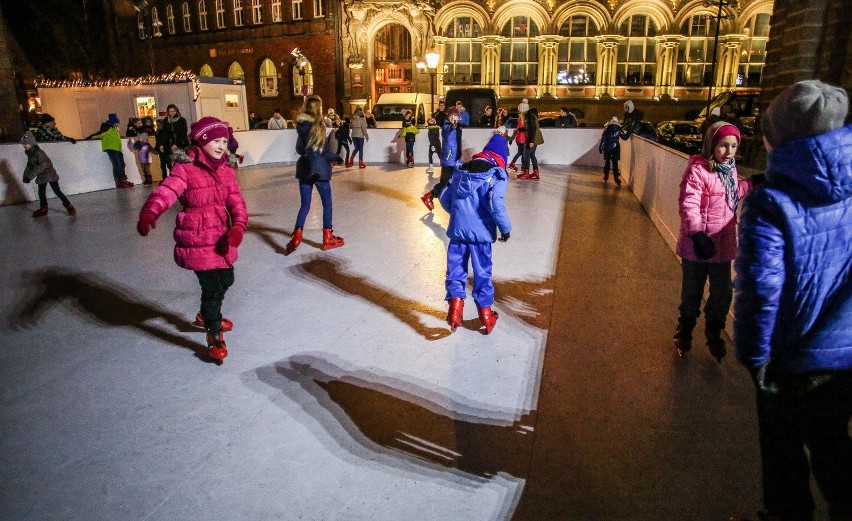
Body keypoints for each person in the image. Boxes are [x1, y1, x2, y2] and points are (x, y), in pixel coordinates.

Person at [733, 80, 852, 521]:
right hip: (845, 357)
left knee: (783, 456)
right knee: (833, 443)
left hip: (790, 356)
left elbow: (760, 291)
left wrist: (754, 358)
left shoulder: (770, 202)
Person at [136, 116, 248, 365]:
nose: (221, 146)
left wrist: (239, 225)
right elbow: (167, 190)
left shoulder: (226, 169)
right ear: (201, 141)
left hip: (221, 236)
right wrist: (151, 211)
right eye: (215, 141)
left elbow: (236, 201)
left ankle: (207, 316)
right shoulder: (185, 168)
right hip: (197, 238)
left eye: (224, 141)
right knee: (211, 288)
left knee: (226, 280)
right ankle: (214, 333)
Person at [672, 121, 751, 361]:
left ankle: (713, 331)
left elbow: (732, 193)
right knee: (692, 292)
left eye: (733, 146)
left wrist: (755, 183)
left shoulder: (730, 171)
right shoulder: (699, 169)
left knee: (722, 292)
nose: (728, 152)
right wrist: (696, 235)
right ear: (711, 145)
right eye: (723, 146)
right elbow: (689, 204)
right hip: (698, 246)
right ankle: (684, 331)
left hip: (722, 245)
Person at [439, 134, 512, 334]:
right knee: (482, 273)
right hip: (481, 237)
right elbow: (497, 206)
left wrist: (459, 215)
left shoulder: (460, 171)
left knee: (455, 271)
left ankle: (455, 310)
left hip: (458, 233)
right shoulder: (497, 174)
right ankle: (486, 316)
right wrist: (505, 229)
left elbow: (444, 197)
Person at [284, 95, 345, 255]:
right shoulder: (320, 126)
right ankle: (328, 237)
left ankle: (296, 237)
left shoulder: (301, 126)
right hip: (320, 171)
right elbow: (323, 152)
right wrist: (337, 157)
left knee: (305, 205)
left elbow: (299, 149)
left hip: (304, 169)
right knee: (327, 204)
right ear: (319, 108)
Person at [21, 131, 76, 217]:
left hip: (50, 174)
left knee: (57, 191)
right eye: (23, 144)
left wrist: (30, 176)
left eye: (26, 144)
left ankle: (69, 206)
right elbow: (30, 166)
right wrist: (26, 176)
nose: (24, 146)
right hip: (41, 176)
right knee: (41, 192)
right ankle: (44, 208)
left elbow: (44, 165)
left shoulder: (38, 152)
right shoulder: (31, 154)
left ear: (31, 143)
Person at [421, 107, 462, 211]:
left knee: (456, 181)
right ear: (448, 117)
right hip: (448, 160)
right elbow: (447, 133)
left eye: (455, 115)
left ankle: (454, 202)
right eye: (451, 116)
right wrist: (453, 126)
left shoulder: (458, 128)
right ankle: (429, 196)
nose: (453, 117)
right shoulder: (447, 127)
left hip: (455, 160)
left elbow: (457, 142)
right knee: (445, 182)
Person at [90, 113, 133, 188]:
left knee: (122, 164)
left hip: (117, 148)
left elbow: (115, 137)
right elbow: (101, 134)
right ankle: (118, 182)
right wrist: (91, 137)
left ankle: (123, 180)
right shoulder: (108, 127)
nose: (117, 123)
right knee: (117, 165)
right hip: (111, 148)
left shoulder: (114, 127)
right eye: (116, 121)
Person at [155, 104, 190, 180]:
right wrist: (161, 144)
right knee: (171, 164)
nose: (172, 113)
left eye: (174, 111)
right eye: (170, 111)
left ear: (176, 111)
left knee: (182, 162)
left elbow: (183, 133)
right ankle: (175, 179)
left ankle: (184, 178)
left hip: (181, 144)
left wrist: (176, 144)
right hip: (168, 145)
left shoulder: (181, 120)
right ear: (168, 112)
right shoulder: (165, 121)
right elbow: (163, 134)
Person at [598, 117, 629, 185]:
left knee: (607, 162)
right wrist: (629, 131)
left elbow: (603, 140)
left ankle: (606, 175)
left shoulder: (607, 130)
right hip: (615, 148)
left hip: (607, 147)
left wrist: (600, 147)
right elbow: (624, 137)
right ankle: (616, 178)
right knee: (615, 163)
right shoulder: (619, 129)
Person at [518, 107, 542, 180]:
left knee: (526, 155)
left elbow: (532, 129)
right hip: (535, 138)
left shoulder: (530, 116)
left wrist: (531, 141)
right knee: (532, 155)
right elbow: (529, 128)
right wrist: (519, 129)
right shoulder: (531, 115)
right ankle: (536, 172)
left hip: (532, 138)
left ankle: (526, 173)